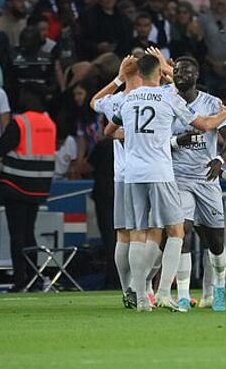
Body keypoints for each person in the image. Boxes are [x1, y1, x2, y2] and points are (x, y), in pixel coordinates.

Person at [104, 51, 226, 311]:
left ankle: (141, 297)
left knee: (138, 233)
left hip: (132, 174)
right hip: (162, 172)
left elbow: (109, 131)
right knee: (176, 231)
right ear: (160, 72)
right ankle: (166, 292)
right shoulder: (169, 97)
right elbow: (203, 124)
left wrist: (136, 136)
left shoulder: (129, 98)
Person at [170, 56, 226, 312]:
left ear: (196, 75)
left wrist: (220, 159)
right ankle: (183, 296)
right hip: (179, 178)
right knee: (182, 232)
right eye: (177, 71)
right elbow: (159, 140)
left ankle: (218, 292)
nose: (181, 75)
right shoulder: (168, 101)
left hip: (207, 180)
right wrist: (177, 141)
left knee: (216, 241)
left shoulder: (211, 103)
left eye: (186, 71)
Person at [0, 88, 56, 292]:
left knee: (17, 234)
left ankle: (20, 280)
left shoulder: (20, 122)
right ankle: (33, 278)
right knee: (29, 233)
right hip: (40, 186)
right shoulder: (50, 123)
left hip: (16, 184)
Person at [90, 56, 142, 302]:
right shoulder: (156, 97)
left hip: (121, 175)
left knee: (123, 234)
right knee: (150, 233)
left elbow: (94, 101)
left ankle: (127, 289)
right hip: (151, 172)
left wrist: (118, 79)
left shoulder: (116, 101)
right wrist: (167, 70)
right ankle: (144, 289)